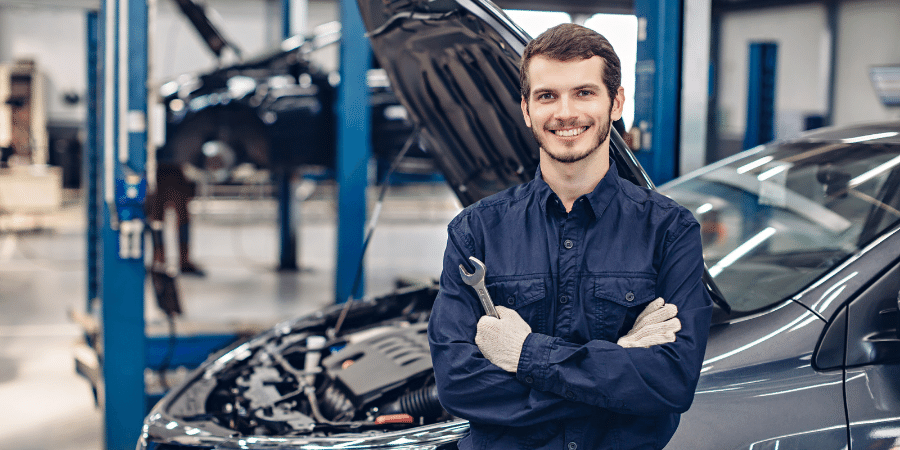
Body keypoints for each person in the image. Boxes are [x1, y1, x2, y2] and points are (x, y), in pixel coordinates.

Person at [427, 23, 712, 450]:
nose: (565, 113)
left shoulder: (670, 231)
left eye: (584, 92)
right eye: (547, 96)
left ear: (616, 103)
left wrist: (525, 354)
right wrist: (621, 361)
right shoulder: (476, 231)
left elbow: (671, 383)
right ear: (526, 109)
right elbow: (458, 385)